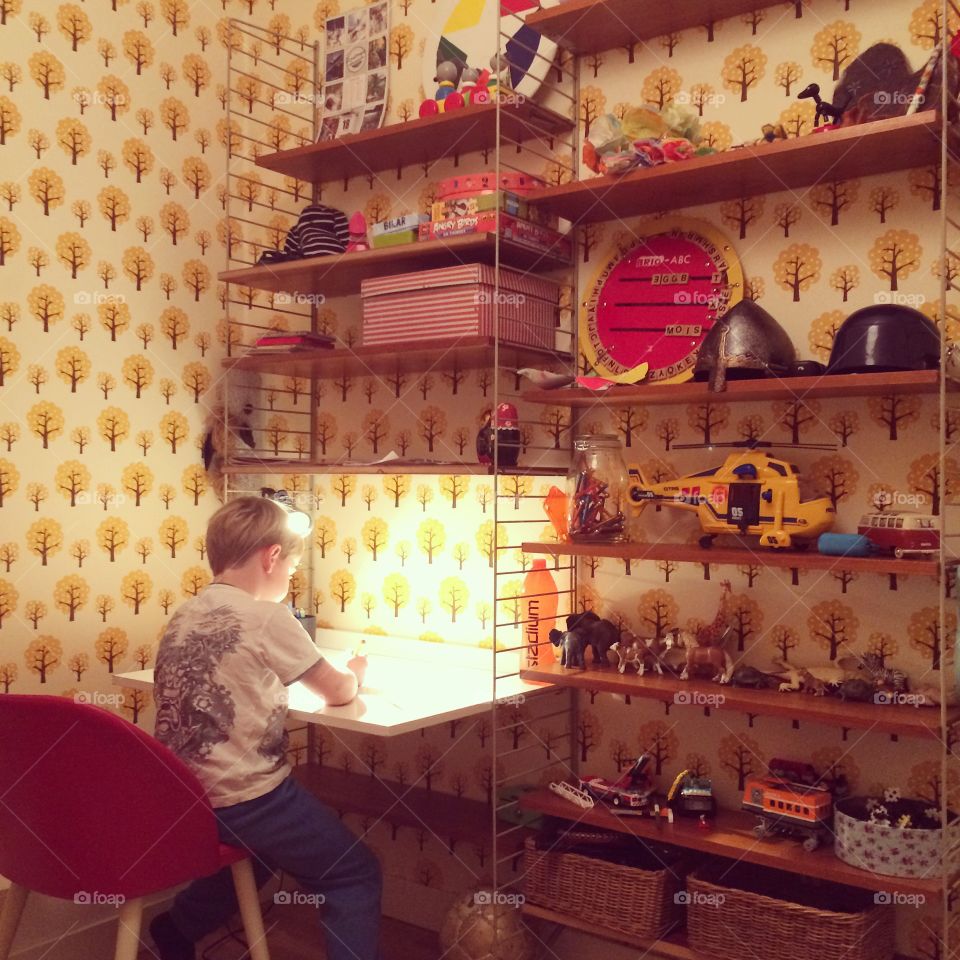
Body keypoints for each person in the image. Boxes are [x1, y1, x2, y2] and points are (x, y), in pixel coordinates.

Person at [149, 496, 380, 960]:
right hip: (244, 797)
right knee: (353, 872)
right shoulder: (270, 616)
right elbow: (336, 693)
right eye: (292, 569)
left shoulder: (186, 613)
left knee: (256, 856)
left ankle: (177, 928)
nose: (290, 578)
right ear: (271, 556)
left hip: (180, 797)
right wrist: (355, 671)